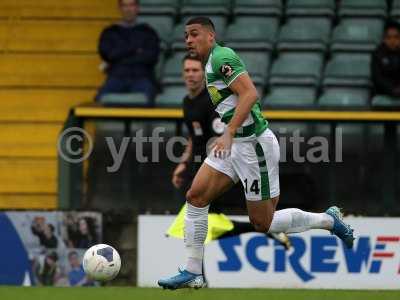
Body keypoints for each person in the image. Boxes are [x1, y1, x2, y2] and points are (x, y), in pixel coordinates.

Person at [158, 17, 355, 290]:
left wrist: (228, 132)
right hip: (235, 145)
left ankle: (327, 220)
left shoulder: (222, 56)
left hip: (254, 146)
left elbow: (250, 94)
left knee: (263, 223)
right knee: (195, 196)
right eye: (186, 36)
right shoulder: (208, 65)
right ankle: (193, 271)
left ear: (210, 36)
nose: (189, 40)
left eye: (194, 34)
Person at [168, 54, 291, 251]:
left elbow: (224, 138)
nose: (190, 75)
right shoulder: (187, 102)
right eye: (187, 71)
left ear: (204, 74)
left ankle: (198, 276)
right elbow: (192, 137)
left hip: (215, 168)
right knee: (201, 226)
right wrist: (182, 163)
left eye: (195, 70)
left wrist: (214, 166)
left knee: (199, 225)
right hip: (197, 168)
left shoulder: (211, 102)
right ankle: (268, 230)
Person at [95, 0, 160, 104]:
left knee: (151, 98)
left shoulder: (148, 32)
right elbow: (107, 54)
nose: (128, 9)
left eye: (131, 5)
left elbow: (152, 57)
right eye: (125, 6)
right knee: (99, 100)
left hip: (141, 76)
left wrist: (119, 54)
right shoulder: (110, 32)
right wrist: (135, 49)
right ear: (120, 8)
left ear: (137, 8)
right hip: (116, 76)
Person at [371, 20, 400, 97]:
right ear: (384, 39)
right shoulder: (377, 54)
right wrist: (392, 89)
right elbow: (377, 77)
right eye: (389, 37)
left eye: (396, 37)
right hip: (383, 93)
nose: (392, 41)